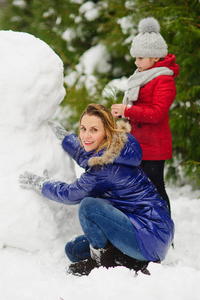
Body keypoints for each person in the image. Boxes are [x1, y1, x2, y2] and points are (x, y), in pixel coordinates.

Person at [19, 104, 174, 276]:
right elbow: (88, 155)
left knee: (88, 206)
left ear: (107, 132)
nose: (86, 135)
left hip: (150, 235)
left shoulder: (105, 169)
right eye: (83, 128)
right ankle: (132, 261)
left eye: (94, 130)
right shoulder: (114, 148)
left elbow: (70, 194)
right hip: (143, 228)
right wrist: (66, 139)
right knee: (74, 250)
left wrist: (41, 183)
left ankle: (102, 263)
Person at [111, 17, 179, 212]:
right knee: (139, 187)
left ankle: (164, 228)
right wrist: (124, 114)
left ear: (155, 57)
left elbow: (157, 114)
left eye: (140, 58)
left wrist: (127, 110)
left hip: (154, 145)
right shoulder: (144, 76)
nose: (136, 61)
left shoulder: (164, 80)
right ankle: (146, 223)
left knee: (156, 187)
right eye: (136, 57)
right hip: (139, 142)